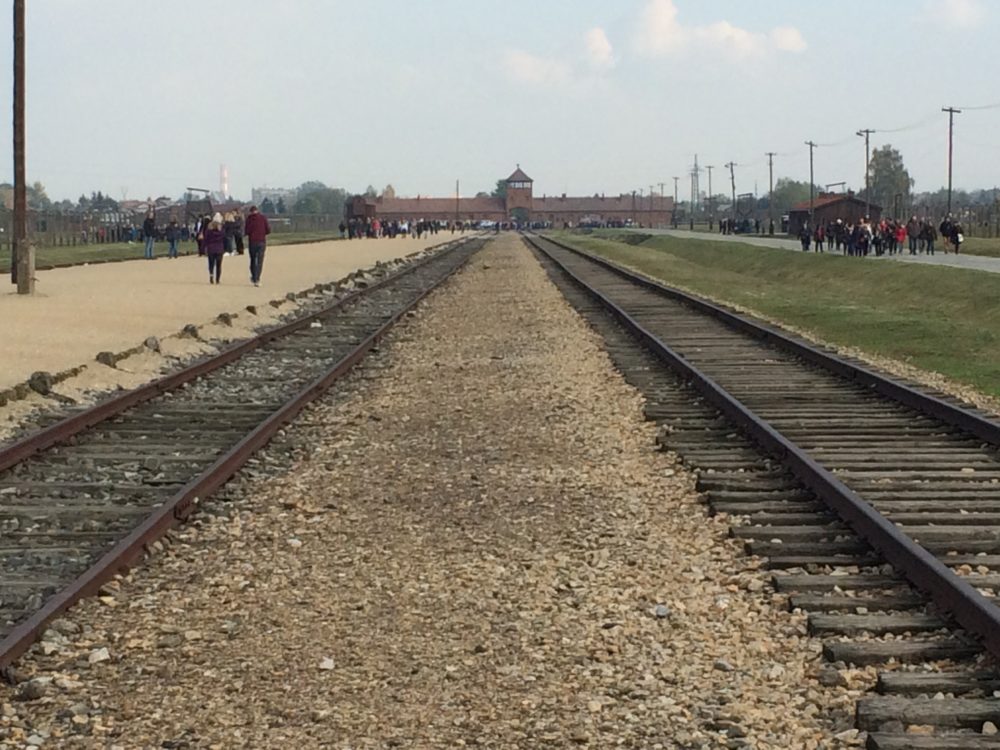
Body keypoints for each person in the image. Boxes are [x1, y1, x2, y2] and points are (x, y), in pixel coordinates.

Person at [244, 205, 271, 286]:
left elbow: (247, 231)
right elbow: (268, 230)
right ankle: (257, 278)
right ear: (257, 210)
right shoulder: (263, 218)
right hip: (261, 241)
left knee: (252, 260)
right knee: (260, 261)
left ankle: (253, 276)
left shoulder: (249, 219)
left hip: (252, 241)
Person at [203, 216, 226, 284]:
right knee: (219, 265)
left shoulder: (208, 231)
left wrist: (204, 247)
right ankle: (218, 279)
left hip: (211, 248)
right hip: (219, 249)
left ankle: (211, 275)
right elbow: (225, 239)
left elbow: (206, 240)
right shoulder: (221, 232)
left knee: (211, 264)